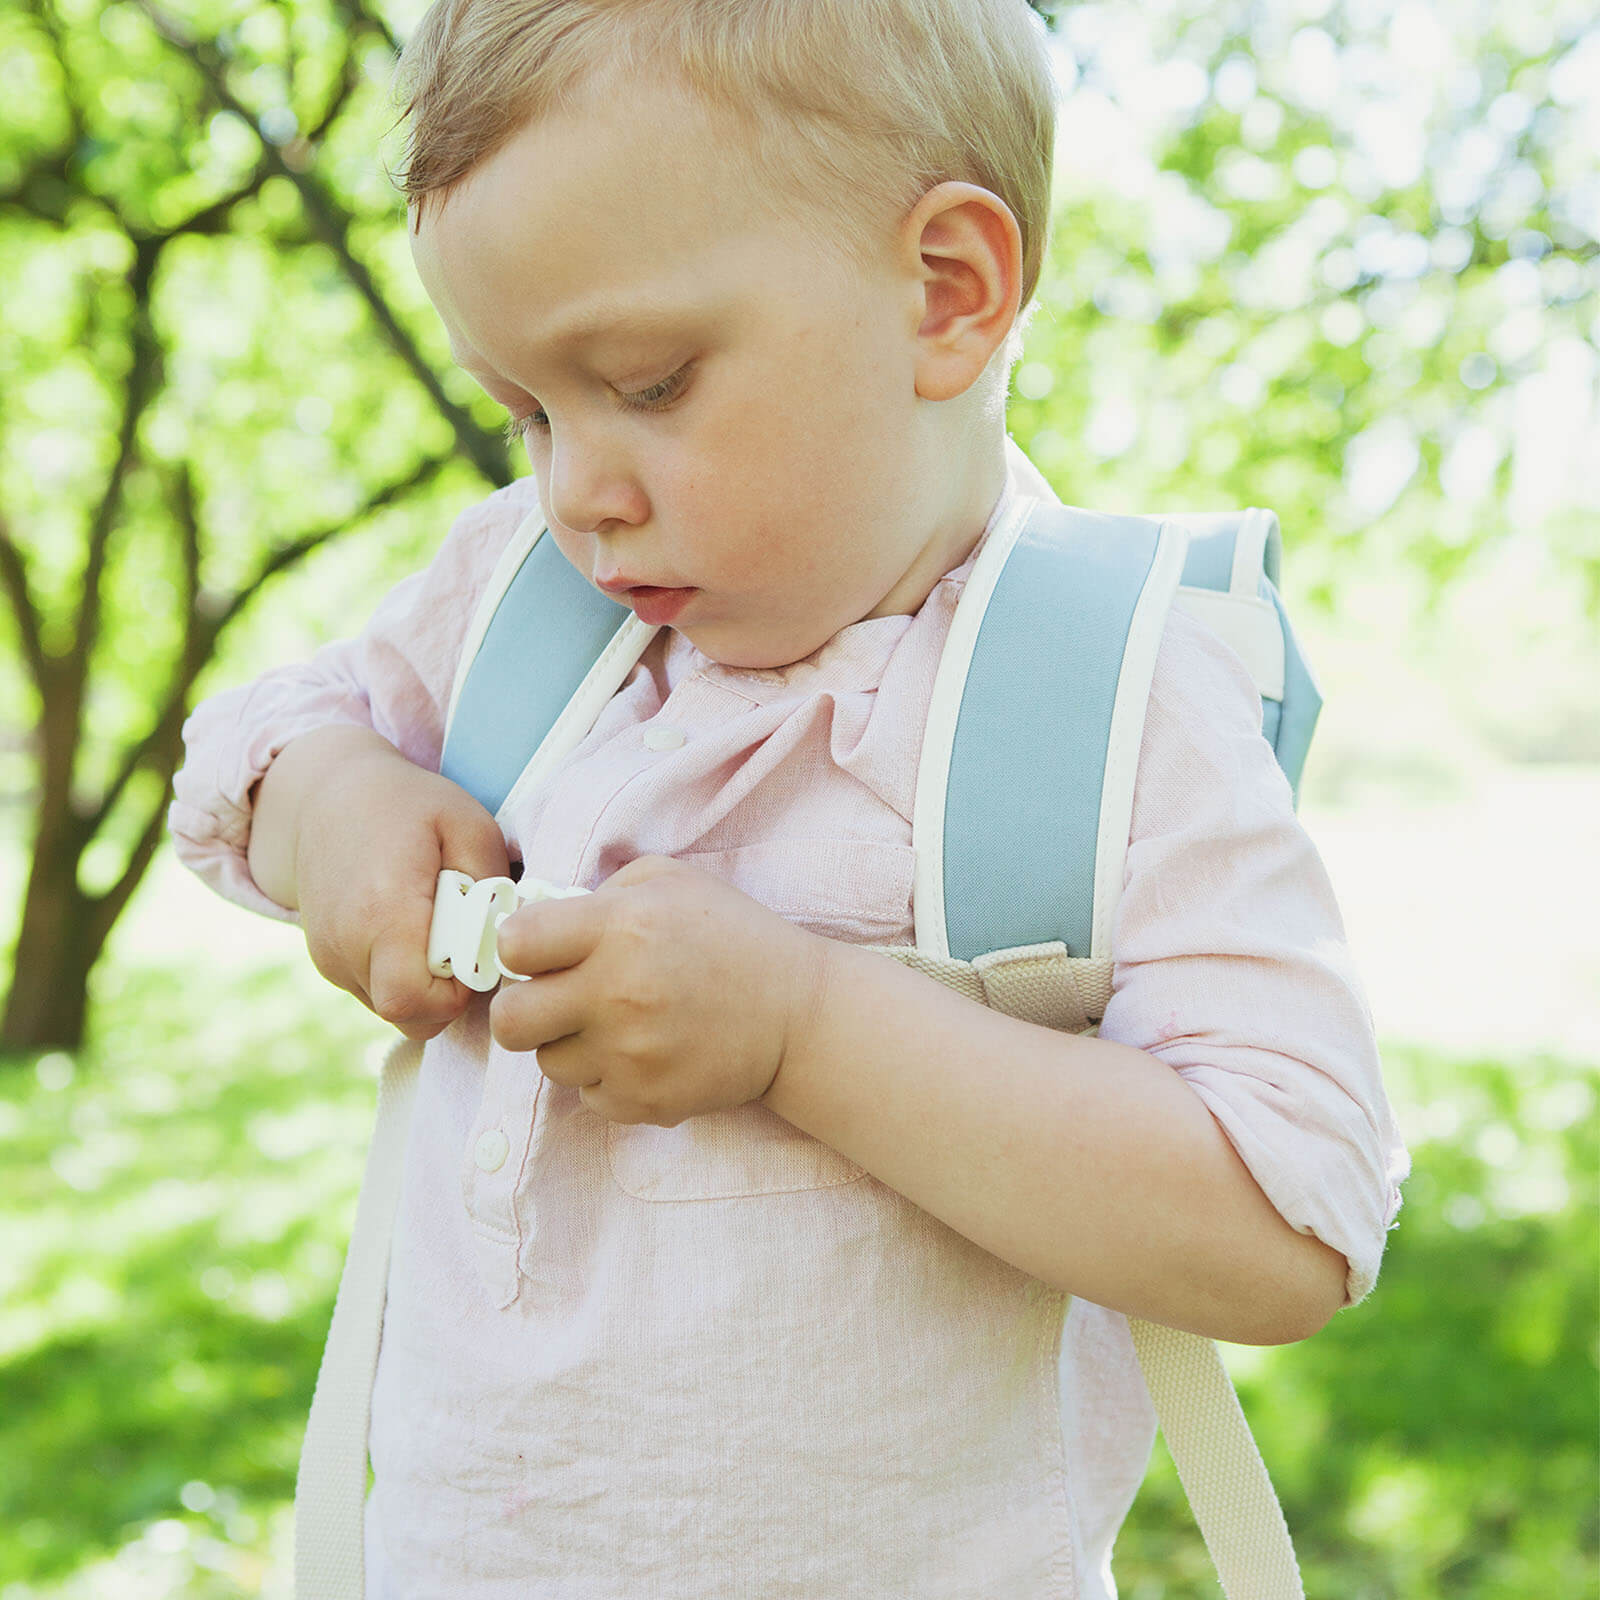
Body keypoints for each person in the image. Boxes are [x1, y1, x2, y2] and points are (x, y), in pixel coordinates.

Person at [168, 1, 1409, 1593]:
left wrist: (808, 1031)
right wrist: (328, 798)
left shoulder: (1103, 691)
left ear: (946, 294)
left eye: (650, 381)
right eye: (527, 412)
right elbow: (255, 741)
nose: (575, 490)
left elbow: (1288, 1217)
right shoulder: (532, 603)